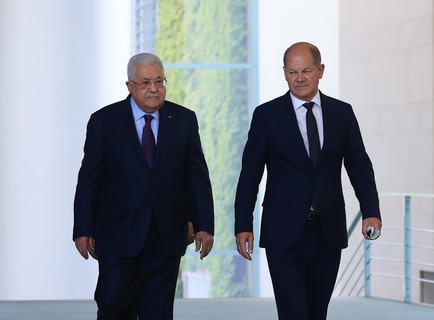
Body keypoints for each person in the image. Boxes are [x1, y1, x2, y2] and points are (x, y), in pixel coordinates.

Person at [234, 42, 382, 319]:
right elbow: (250, 175)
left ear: (320, 70)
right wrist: (243, 224)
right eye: (292, 72)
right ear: (285, 73)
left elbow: (359, 166)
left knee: (317, 312)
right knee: (293, 312)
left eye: (305, 71)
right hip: (283, 233)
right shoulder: (267, 116)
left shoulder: (342, 113)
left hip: (327, 232)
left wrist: (371, 212)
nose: (299, 78)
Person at [73, 53, 215, 319]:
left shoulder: (183, 120)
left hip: (167, 237)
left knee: (158, 312)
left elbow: (197, 176)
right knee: (114, 306)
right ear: (129, 86)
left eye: (160, 81)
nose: (154, 88)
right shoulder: (104, 122)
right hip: (117, 236)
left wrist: (204, 224)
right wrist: (83, 229)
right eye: (146, 82)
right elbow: (89, 180)